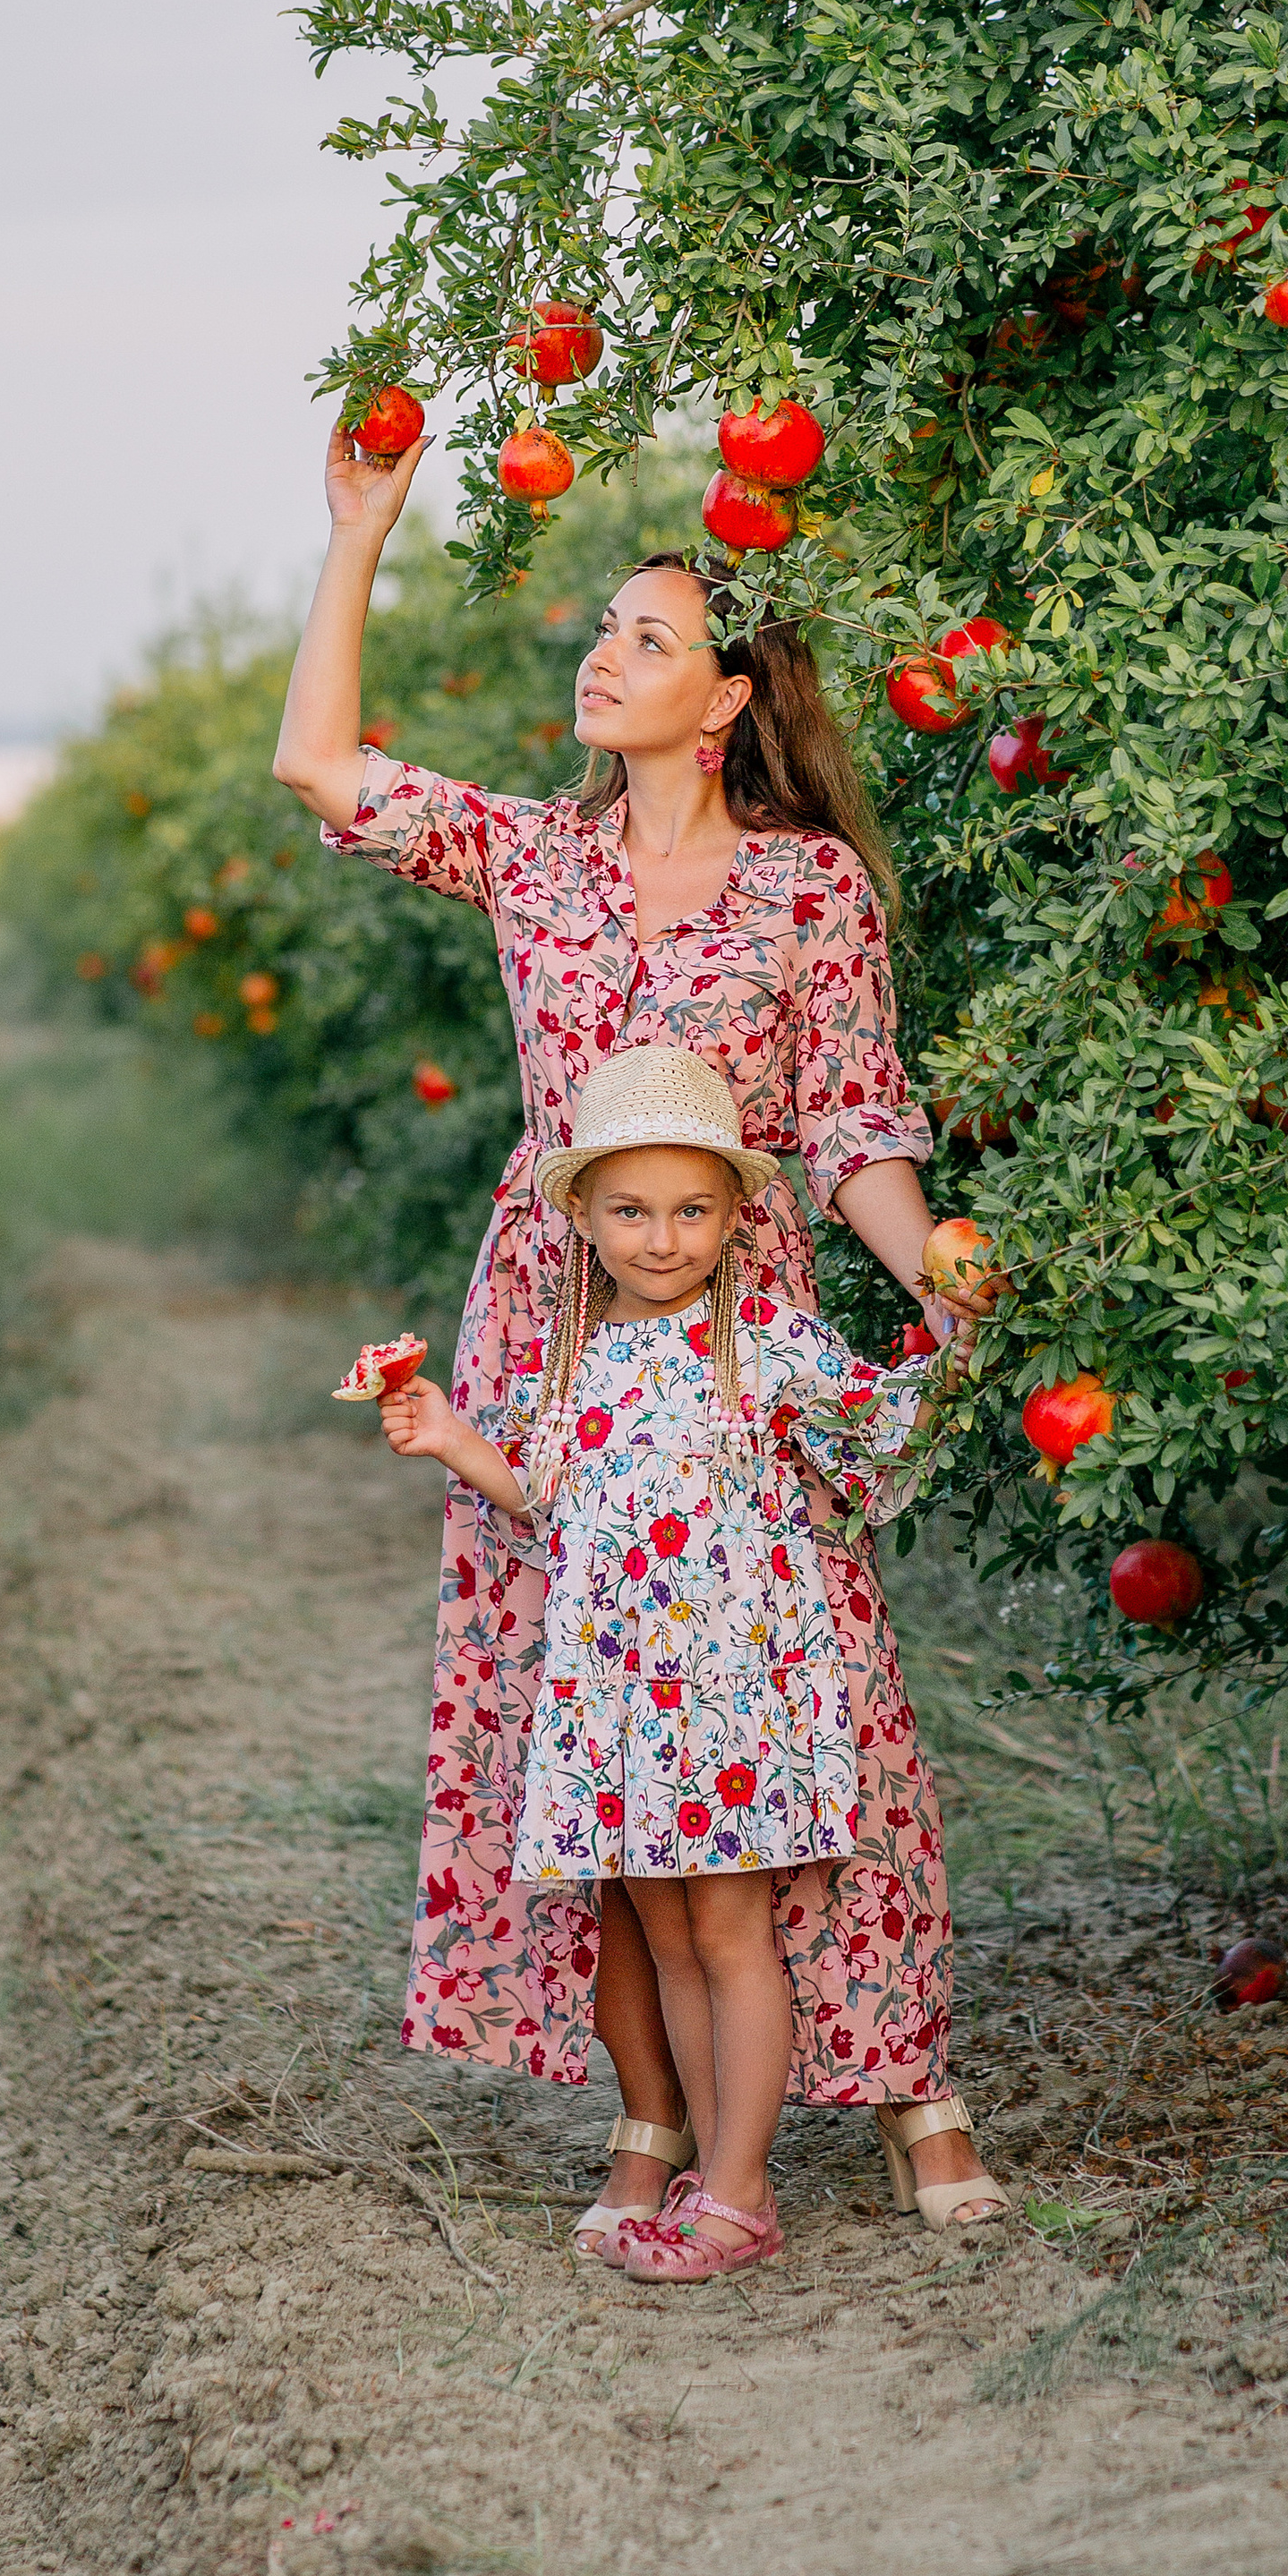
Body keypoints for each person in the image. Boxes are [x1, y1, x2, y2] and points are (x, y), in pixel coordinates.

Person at [272, 413, 1010, 2237]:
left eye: (646, 638)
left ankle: (907, 2079)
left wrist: (931, 1274)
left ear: (731, 697)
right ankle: (652, 2118)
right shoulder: (531, 858)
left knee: (814, 1705)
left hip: (742, 1330)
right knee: (576, 1710)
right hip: (550, 1322)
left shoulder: (804, 888)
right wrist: (362, 527)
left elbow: (848, 1124)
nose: (601, 657)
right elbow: (318, 764)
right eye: (599, 629)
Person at [373, 1044, 963, 2280]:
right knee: (676, 1944)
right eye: (632, 1212)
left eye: (692, 1210)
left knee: (735, 1937)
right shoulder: (578, 1356)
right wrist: (446, 1435)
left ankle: (741, 2193)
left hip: (735, 1701)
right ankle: (711, 2175)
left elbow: (884, 1433)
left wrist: (953, 1331)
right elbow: (543, 1494)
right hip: (615, 1702)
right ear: (580, 1217)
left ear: (737, 1214)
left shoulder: (766, 1339)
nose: (661, 1238)